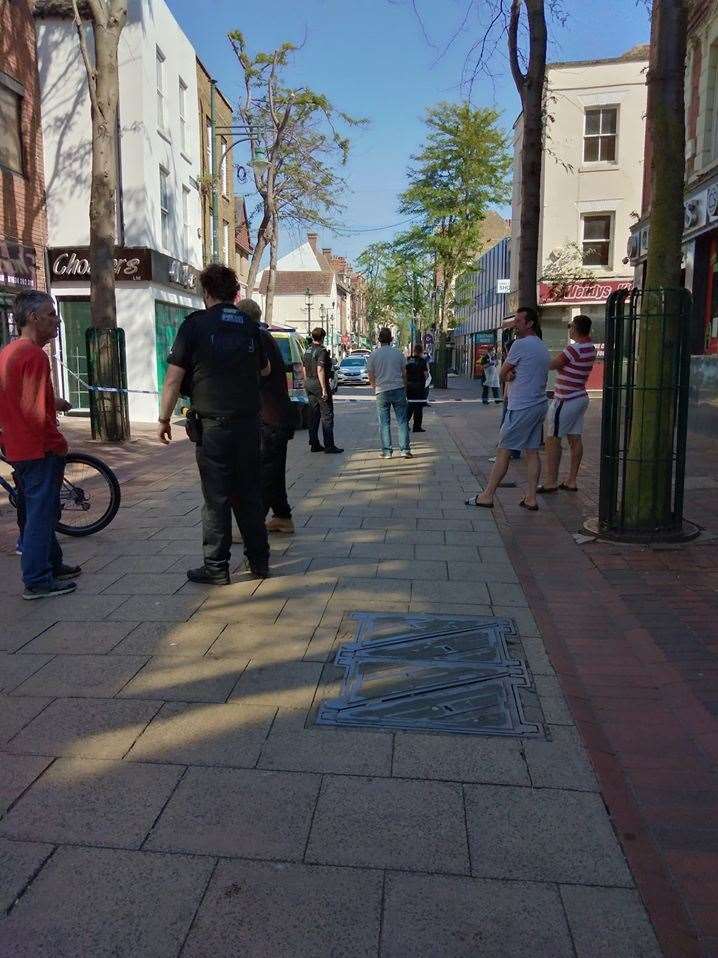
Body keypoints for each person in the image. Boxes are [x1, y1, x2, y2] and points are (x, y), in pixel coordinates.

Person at [157, 264, 271, 583]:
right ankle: (259, 561)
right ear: (234, 292)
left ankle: (217, 566)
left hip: (214, 428)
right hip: (249, 425)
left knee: (216, 497)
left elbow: (173, 380)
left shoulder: (195, 325)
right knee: (249, 493)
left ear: (206, 292)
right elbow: (264, 371)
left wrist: (164, 418)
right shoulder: (249, 326)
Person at [0, 290, 80, 599]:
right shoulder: (33, 355)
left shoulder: (10, 352)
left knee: (39, 509)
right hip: (37, 449)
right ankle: (37, 579)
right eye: (50, 314)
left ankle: (53, 563)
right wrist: (56, 443)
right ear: (33, 318)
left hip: (18, 446)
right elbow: (36, 414)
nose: (56, 320)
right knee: (40, 514)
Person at [467, 306, 549, 511]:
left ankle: (487, 495)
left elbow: (503, 372)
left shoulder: (520, 345)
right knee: (531, 451)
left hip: (521, 405)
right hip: (538, 404)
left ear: (530, 323)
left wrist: (510, 374)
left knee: (503, 450)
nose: (515, 325)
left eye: (519, 321)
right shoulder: (541, 345)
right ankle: (531, 498)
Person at [236, 298, 296, 534]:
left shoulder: (255, 339)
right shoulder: (265, 336)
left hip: (269, 417)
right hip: (277, 415)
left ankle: (251, 526)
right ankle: (282, 516)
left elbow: (255, 375)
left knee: (265, 473)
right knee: (273, 470)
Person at [538, 314, 597, 494]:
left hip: (565, 399)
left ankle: (550, 482)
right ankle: (571, 480)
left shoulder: (574, 349)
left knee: (553, 439)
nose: (569, 329)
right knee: (575, 439)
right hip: (580, 396)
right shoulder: (590, 348)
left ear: (576, 328)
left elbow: (552, 364)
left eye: (571, 326)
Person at [366, 327, 412, 459]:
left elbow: (370, 374)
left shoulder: (374, 355)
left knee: (384, 423)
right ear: (391, 339)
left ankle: (387, 452)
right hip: (398, 388)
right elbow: (404, 373)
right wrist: (404, 386)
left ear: (379, 340)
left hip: (381, 391)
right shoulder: (398, 354)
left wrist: (374, 386)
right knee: (402, 421)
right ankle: (405, 450)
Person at [303, 327, 342, 454]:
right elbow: (320, 369)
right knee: (327, 415)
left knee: (313, 415)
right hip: (319, 385)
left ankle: (314, 444)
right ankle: (329, 445)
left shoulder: (307, 350)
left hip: (309, 383)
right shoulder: (322, 351)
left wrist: (305, 382)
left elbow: (303, 368)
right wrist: (324, 389)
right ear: (323, 338)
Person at [406, 342, 429, 433]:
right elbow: (426, 374)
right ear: (421, 351)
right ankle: (417, 426)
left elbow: (404, 372)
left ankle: (404, 424)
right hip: (419, 386)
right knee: (419, 407)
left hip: (409, 386)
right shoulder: (423, 361)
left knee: (410, 406)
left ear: (414, 351)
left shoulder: (408, 360)